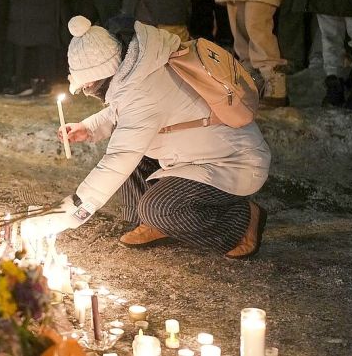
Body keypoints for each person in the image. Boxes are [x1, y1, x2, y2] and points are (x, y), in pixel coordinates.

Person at [40, 16, 271, 259]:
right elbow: (123, 111)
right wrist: (89, 127)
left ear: (104, 75)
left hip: (232, 162)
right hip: (197, 150)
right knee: (132, 153)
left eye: (89, 86)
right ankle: (150, 222)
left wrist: (76, 208)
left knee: (158, 208)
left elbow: (120, 156)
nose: (89, 92)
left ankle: (241, 222)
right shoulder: (141, 65)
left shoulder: (144, 92)